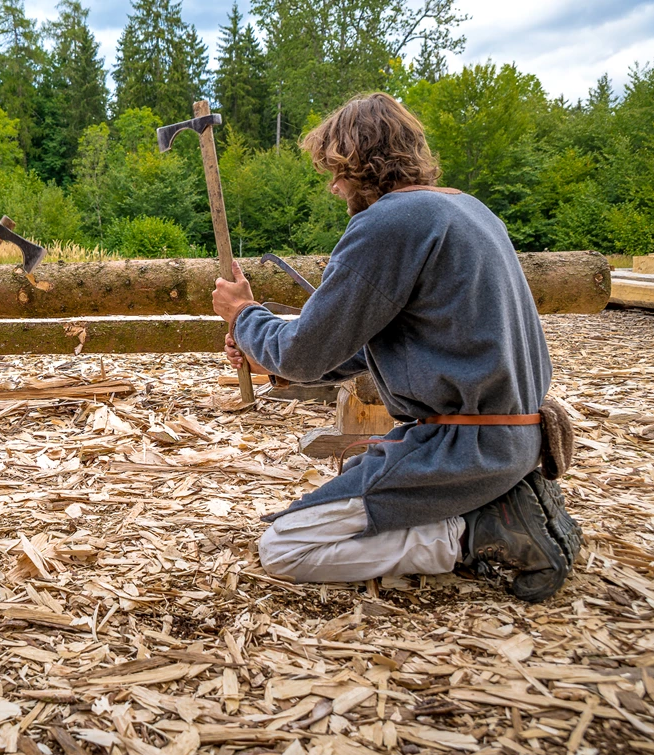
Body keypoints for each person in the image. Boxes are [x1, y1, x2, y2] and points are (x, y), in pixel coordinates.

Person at [211, 93, 582, 602]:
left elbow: (304, 352)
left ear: (362, 162)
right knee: (315, 525)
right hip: (509, 443)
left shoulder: (391, 223)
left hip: (461, 451)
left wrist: (244, 316)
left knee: (285, 546)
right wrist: (266, 357)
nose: (334, 185)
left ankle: (474, 532)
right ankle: (497, 505)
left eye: (336, 170)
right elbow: (384, 347)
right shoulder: (466, 209)